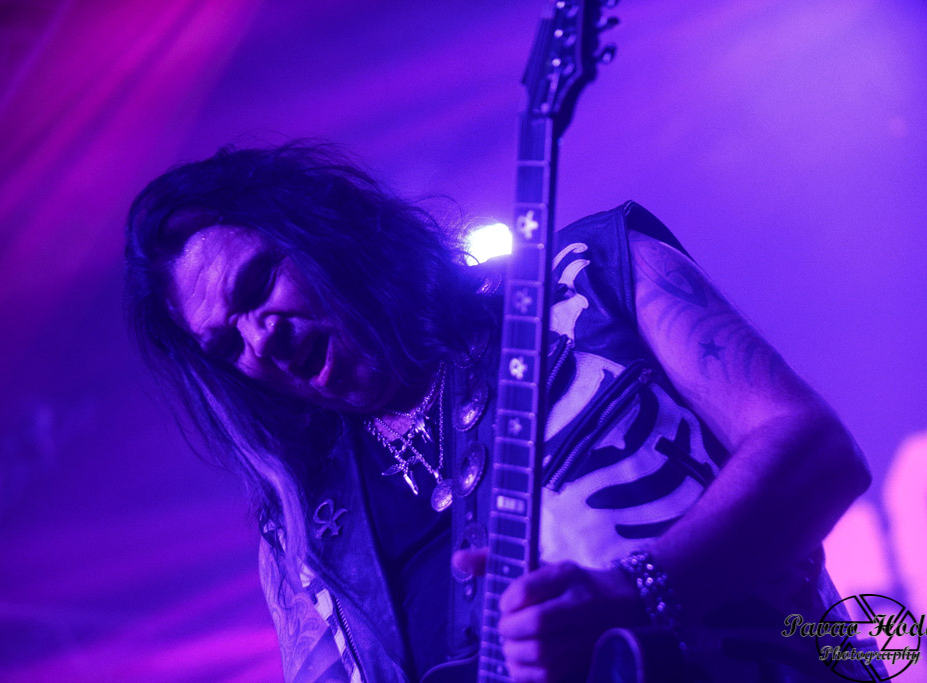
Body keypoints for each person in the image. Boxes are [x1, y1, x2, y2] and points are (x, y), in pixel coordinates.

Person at [125, 142, 873, 682]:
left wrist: (636, 591)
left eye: (258, 284)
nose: (260, 340)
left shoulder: (590, 280)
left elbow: (814, 450)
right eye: (226, 343)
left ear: (327, 234)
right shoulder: (302, 533)